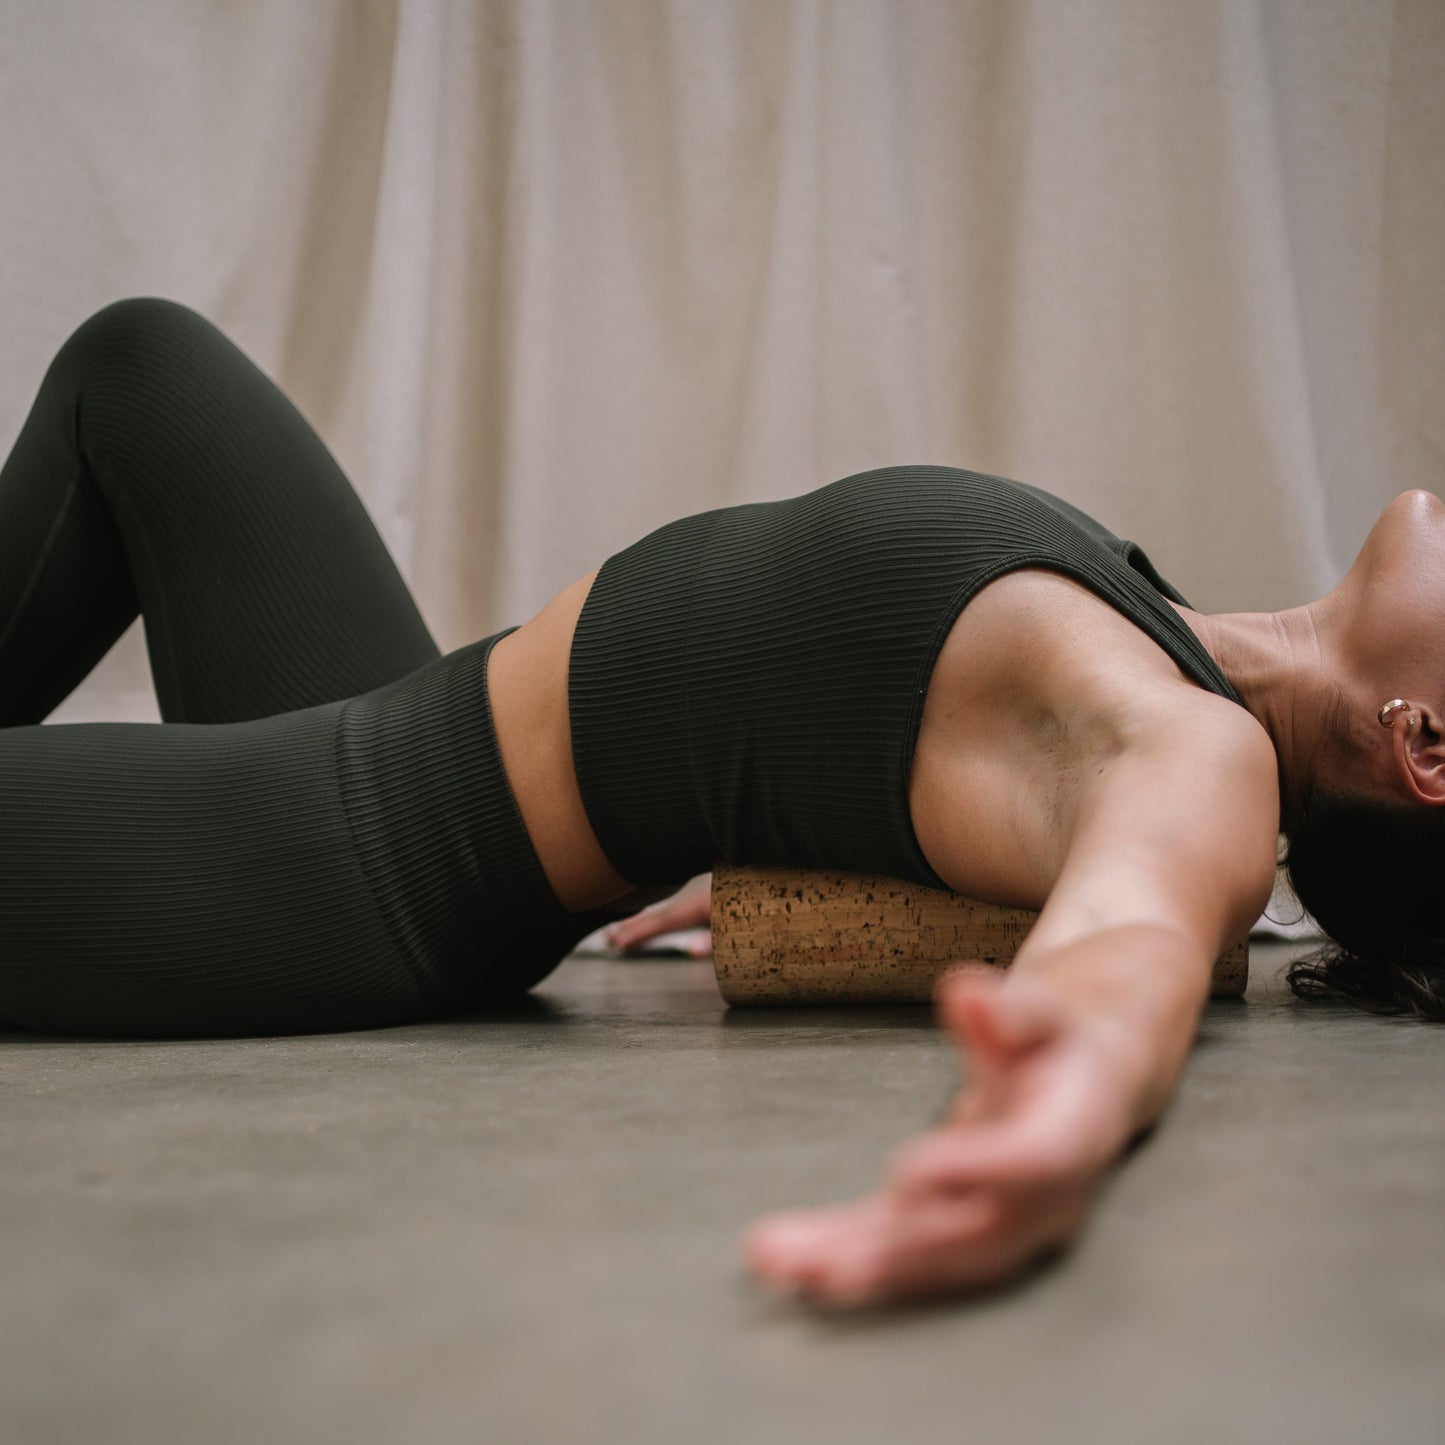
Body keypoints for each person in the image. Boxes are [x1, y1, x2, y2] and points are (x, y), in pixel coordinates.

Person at [0, 297, 1438, 1310]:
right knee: (143, 368)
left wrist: (1059, 1099)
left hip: (358, 852)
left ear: (1428, 746)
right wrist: (783, 820)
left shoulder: (1201, 754)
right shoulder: (1155, 630)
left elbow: (1133, 932)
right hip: (398, 716)